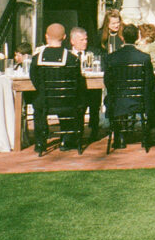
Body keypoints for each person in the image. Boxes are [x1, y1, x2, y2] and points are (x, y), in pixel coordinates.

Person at [30, 23, 86, 152]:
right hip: (67, 101)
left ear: (46, 36)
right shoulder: (73, 59)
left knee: (37, 104)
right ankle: (67, 139)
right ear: (65, 37)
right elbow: (76, 82)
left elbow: (35, 81)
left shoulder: (36, 59)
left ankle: (40, 142)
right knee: (77, 98)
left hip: (45, 101)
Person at [104, 24, 155, 149]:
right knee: (154, 98)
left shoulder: (111, 58)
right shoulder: (144, 58)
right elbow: (150, 82)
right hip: (140, 101)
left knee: (109, 98)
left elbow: (107, 82)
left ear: (122, 37)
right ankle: (147, 136)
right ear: (137, 37)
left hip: (118, 101)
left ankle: (119, 136)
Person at [69, 27, 102, 139]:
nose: (85, 42)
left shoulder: (94, 52)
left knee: (95, 95)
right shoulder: (67, 55)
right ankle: (77, 129)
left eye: (86, 39)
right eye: (81, 40)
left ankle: (94, 129)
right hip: (75, 90)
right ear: (72, 41)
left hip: (91, 89)